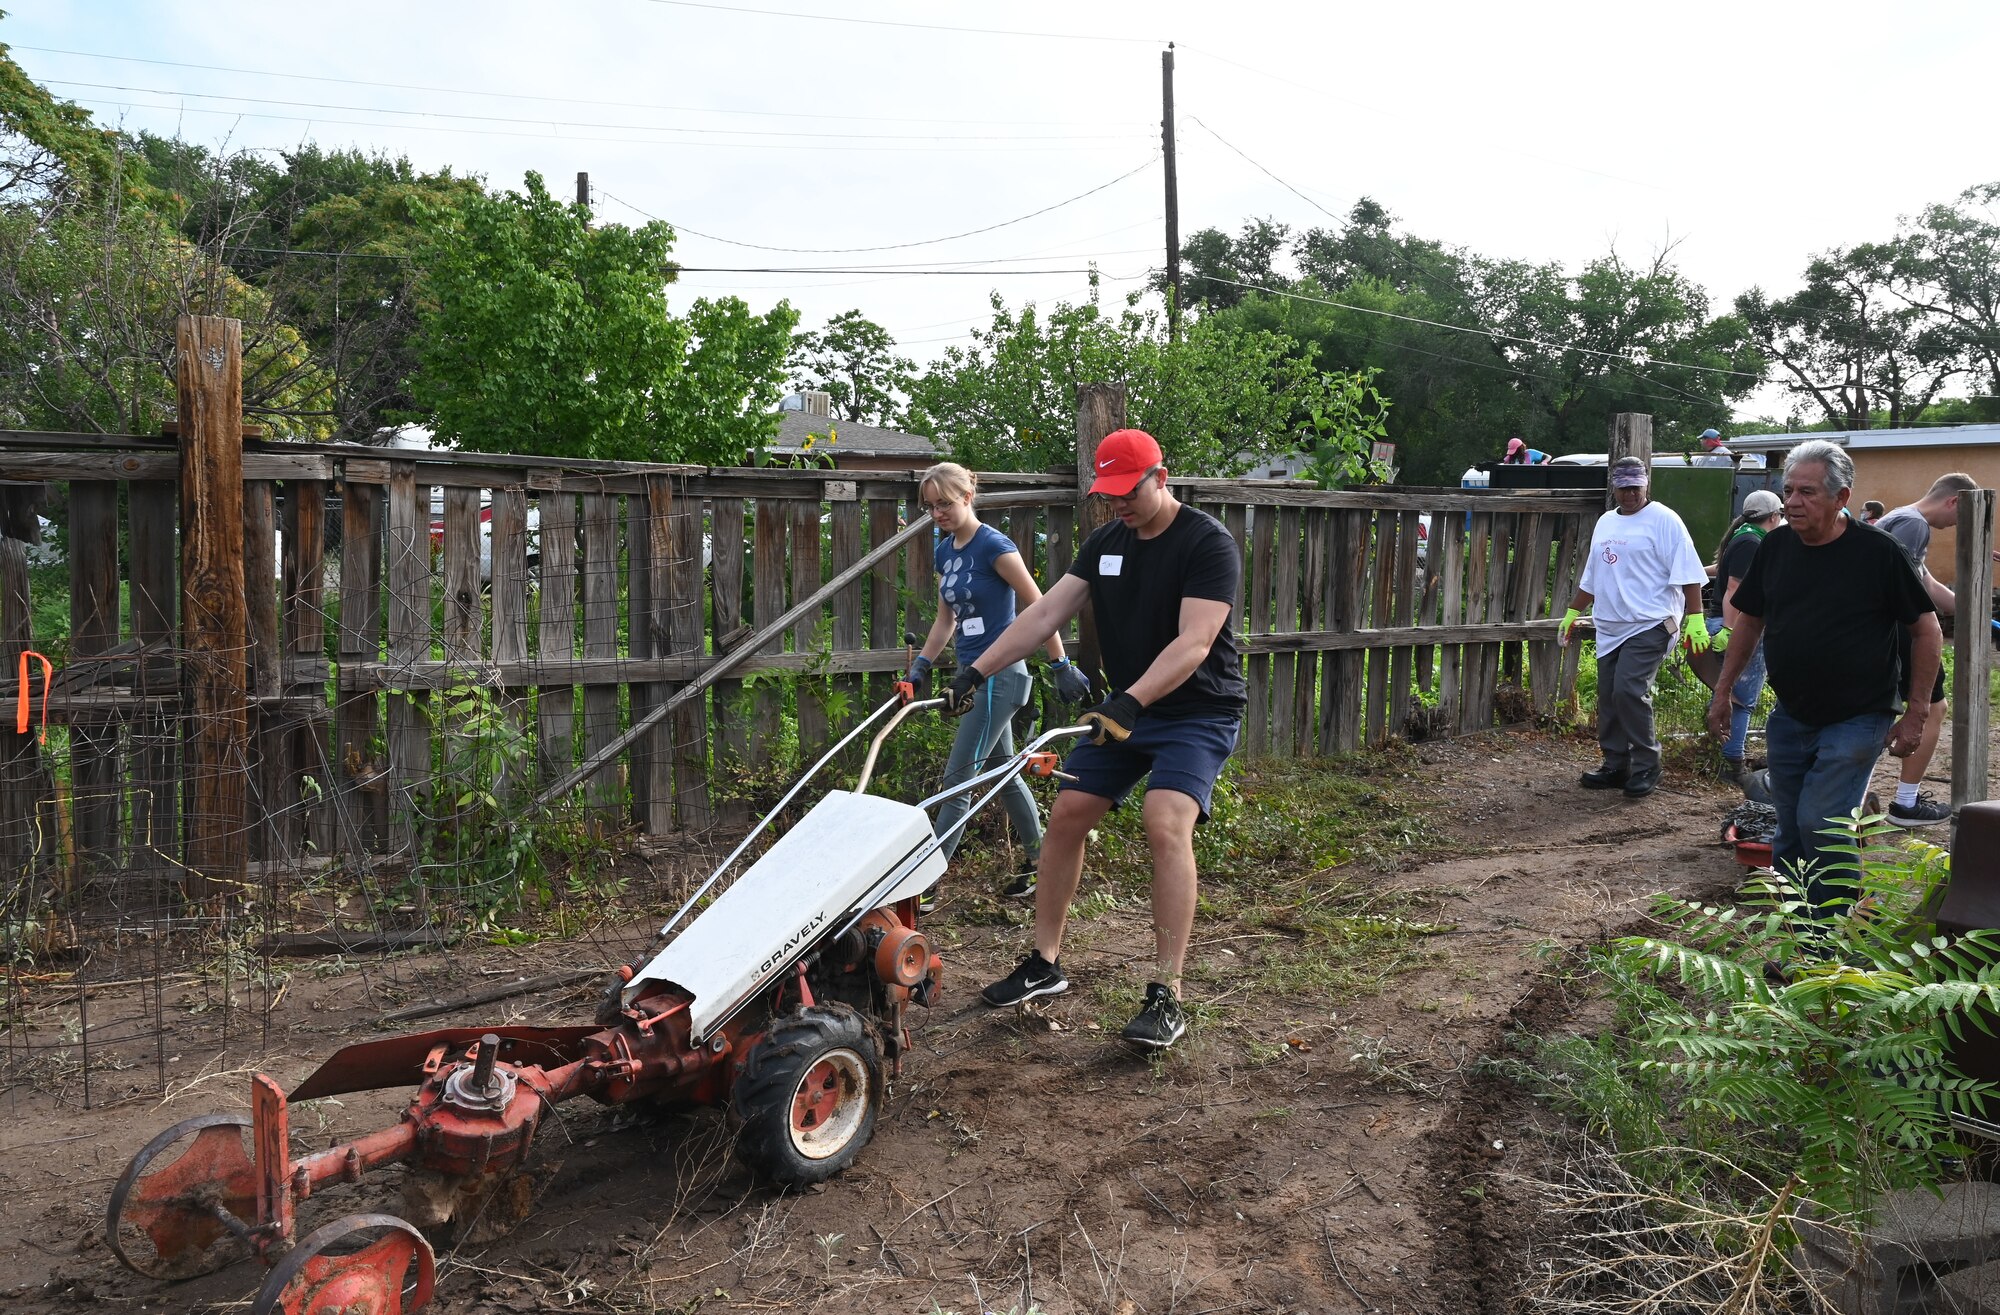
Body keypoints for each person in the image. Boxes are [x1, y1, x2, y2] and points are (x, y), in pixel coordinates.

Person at [940, 428, 1244, 1051]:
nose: (1117, 506)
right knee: (1069, 812)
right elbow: (1045, 615)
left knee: (1165, 819)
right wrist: (976, 670)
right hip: (1125, 707)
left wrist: (1131, 700)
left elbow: (1195, 643)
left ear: (1161, 475)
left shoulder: (1207, 543)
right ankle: (1045, 963)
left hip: (1196, 709)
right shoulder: (1107, 541)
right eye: (1107, 496)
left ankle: (1167, 993)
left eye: (1126, 492)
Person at [1704, 440, 1939, 908]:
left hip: (1859, 716)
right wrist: (1723, 690)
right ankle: (1798, 935)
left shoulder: (1878, 552)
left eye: (1807, 492)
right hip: (1792, 714)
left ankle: (1825, 942)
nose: (1793, 501)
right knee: (1788, 826)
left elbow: (1926, 630)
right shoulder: (1775, 548)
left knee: (1821, 822)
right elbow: (1749, 620)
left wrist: (1916, 713)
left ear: (1841, 497)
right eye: (1788, 490)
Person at [904, 462, 1091, 902]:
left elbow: (1041, 607)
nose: (938, 514)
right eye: (930, 508)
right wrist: (924, 665)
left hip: (1001, 678)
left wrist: (1060, 663)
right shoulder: (945, 551)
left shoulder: (995, 546)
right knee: (1002, 773)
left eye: (945, 504)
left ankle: (925, 885)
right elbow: (946, 619)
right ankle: (1041, 860)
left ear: (968, 496)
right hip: (971, 679)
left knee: (957, 782)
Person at [1558, 457, 1709, 799]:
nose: (1629, 494)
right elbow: (1593, 576)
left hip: (1652, 621)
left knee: (1628, 689)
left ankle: (1647, 765)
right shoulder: (1606, 523)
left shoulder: (1665, 520)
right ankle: (1615, 765)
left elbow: (1689, 571)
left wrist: (1696, 618)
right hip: (1611, 625)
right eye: (1623, 488)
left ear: (1646, 485)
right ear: (1614, 487)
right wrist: (1571, 612)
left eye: (1635, 488)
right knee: (1610, 695)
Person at [1871, 473, 1981, 827]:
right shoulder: (1913, 525)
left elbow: (1923, 581)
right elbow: (1892, 588)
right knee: (1932, 709)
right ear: (1953, 502)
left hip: (1894, 631)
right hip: (1902, 633)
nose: (1955, 525)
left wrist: (1965, 604)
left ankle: (1871, 797)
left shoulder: (1904, 520)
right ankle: (1905, 804)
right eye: (1960, 517)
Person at [1705, 489, 1784, 783]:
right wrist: (1729, 629)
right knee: (1742, 698)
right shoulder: (1753, 542)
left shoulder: (1743, 536)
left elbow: (1722, 574)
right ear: (1774, 517)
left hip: (1727, 623)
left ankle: (1718, 753)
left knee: (1725, 692)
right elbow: (1735, 589)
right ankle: (1732, 763)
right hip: (1739, 626)